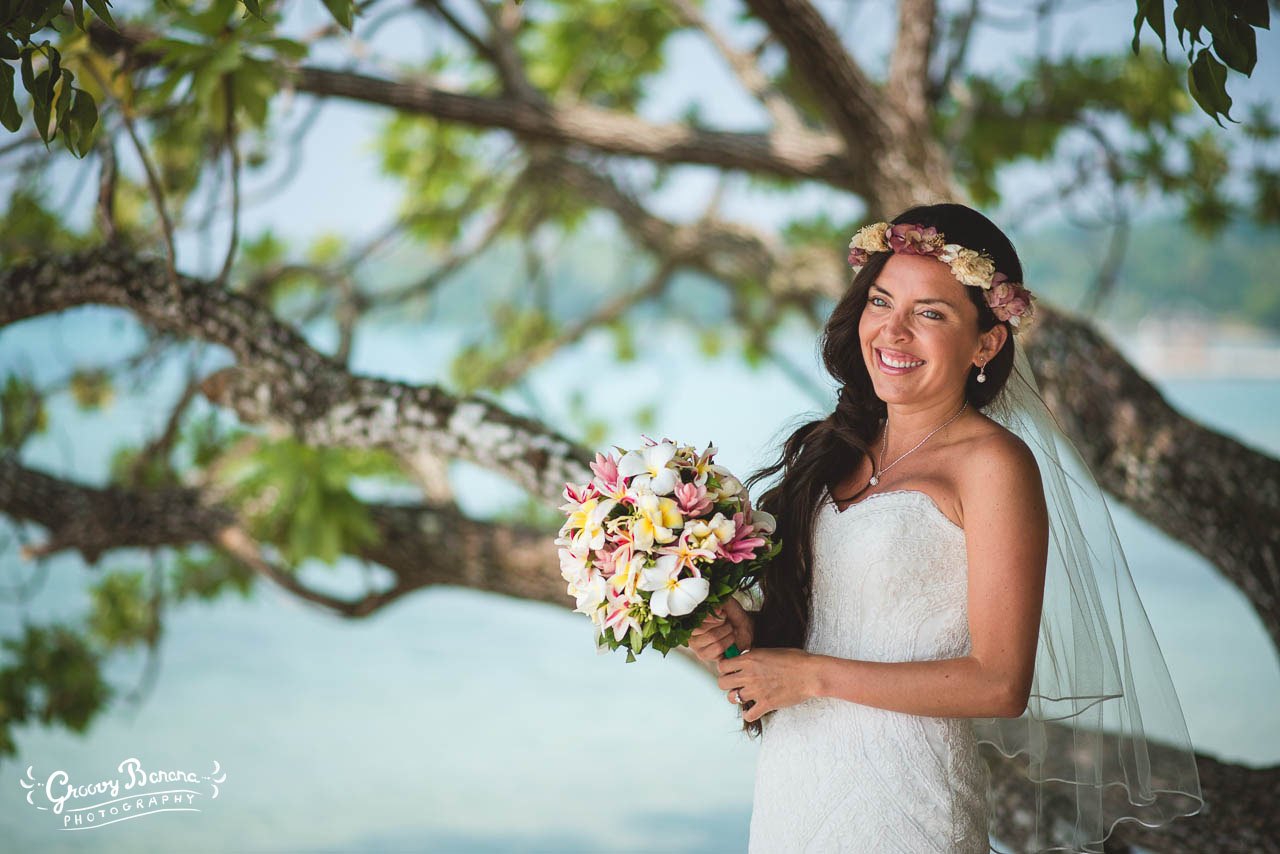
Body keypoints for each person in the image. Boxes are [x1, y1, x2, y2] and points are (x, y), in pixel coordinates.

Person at [689, 203, 1203, 853]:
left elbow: (999, 681)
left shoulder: (993, 465)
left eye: (930, 313)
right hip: (795, 791)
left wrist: (810, 675)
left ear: (986, 342)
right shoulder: (831, 448)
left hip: (907, 807)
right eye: (882, 301)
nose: (893, 331)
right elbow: (837, 629)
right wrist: (749, 641)